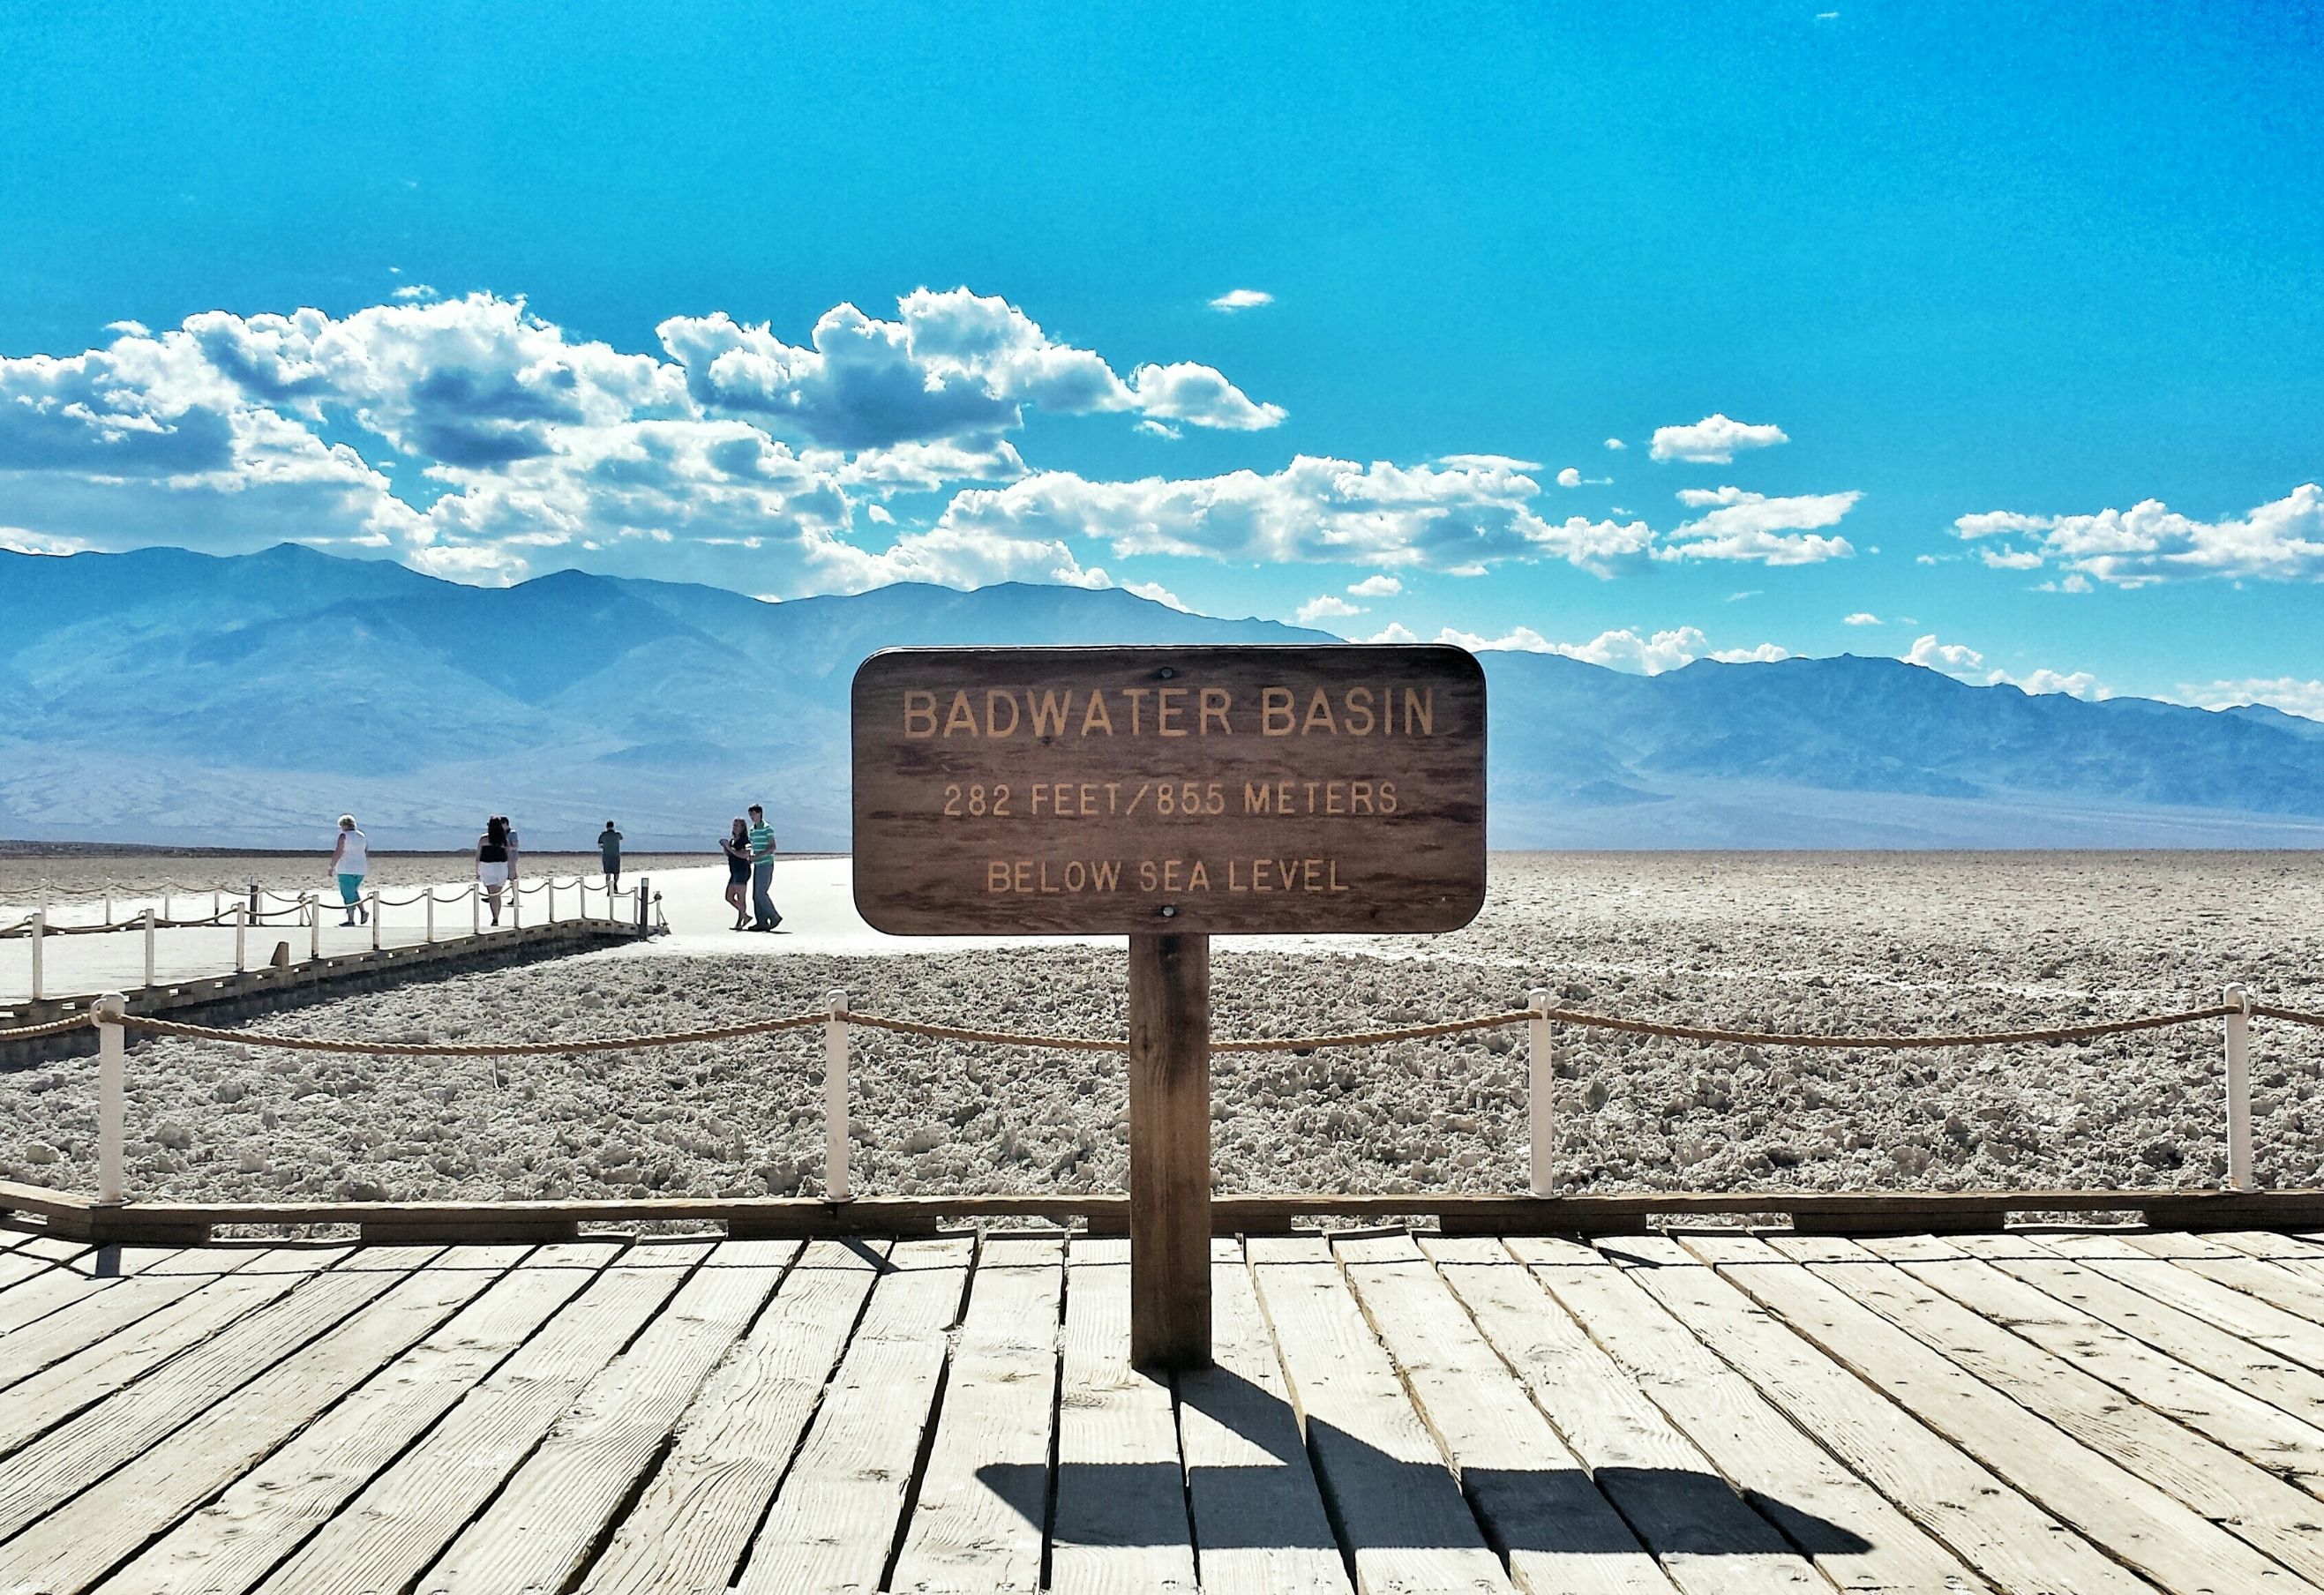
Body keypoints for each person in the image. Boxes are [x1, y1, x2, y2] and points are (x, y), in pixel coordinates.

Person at [329, 814, 369, 926]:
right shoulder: (361, 835)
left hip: (346, 868)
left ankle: (351, 919)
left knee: (347, 893)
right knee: (353, 891)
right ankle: (362, 911)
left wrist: (332, 866)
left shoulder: (344, 836)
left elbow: (339, 852)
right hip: (360, 868)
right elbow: (365, 850)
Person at [746, 803, 781, 931]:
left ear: (759, 814)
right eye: (750, 815)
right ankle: (761, 921)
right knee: (755, 894)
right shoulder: (752, 830)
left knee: (761, 893)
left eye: (753, 814)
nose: (752, 817)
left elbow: (772, 847)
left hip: (766, 863)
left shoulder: (767, 828)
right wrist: (750, 854)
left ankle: (774, 916)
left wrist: (759, 856)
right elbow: (751, 845)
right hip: (757, 864)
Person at [476, 814, 514, 925]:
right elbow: (509, 857)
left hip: (487, 867)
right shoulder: (503, 841)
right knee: (497, 894)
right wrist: (512, 871)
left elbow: (478, 855)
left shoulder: (484, 839)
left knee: (492, 894)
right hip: (501, 867)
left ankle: (495, 917)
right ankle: (496, 917)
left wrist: (476, 870)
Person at [720, 817, 753, 931]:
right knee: (729, 897)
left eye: (737, 825)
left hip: (742, 870)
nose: (734, 827)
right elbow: (730, 854)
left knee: (741, 897)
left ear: (743, 828)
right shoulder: (733, 840)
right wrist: (726, 847)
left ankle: (740, 921)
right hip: (734, 871)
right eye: (734, 825)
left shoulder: (746, 841)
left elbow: (745, 855)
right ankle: (745, 916)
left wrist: (730, 848)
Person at [597, 819, 623, 889]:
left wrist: (605, 846)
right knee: (616, 873)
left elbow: (599, 845)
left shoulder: (603, 835)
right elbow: (621, 839)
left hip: (606, 856)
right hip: (616, 855)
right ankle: (615, 884)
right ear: (613, 826)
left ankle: (609, 887)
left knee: (608, 873)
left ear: (606, 827)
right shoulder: (617, 835)